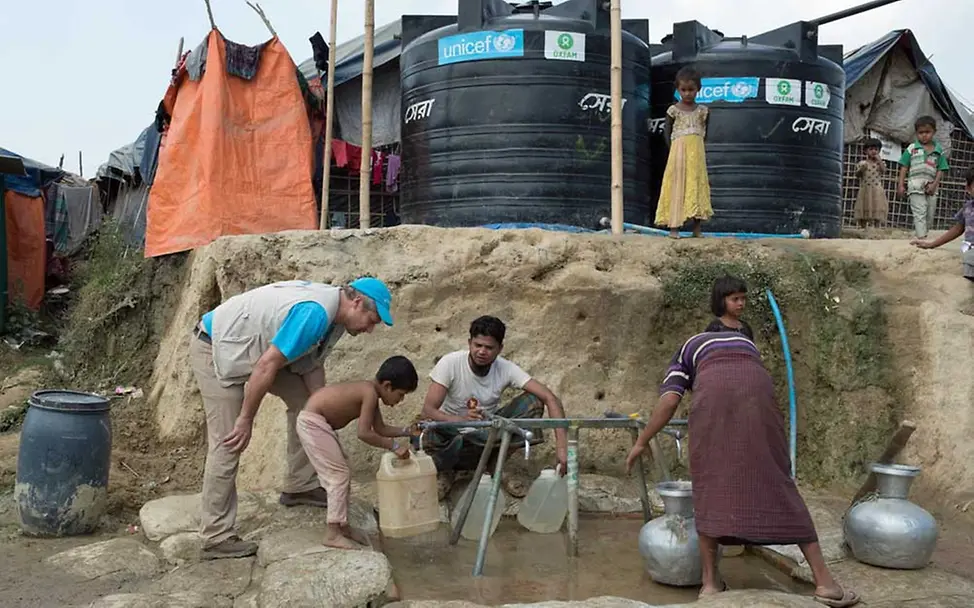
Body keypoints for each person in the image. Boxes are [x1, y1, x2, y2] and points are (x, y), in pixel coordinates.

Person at [625, 332, 859, 607]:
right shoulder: (749, 349)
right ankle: (825, 583)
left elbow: (670, 400)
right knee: (778, 482)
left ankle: (710, 584)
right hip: (759, 401)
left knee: (709, 486)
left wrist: (642, 441)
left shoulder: (687, 350)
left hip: (714, 404)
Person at [191, 277, 394, 560]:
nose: (370, 329)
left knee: (307, 408)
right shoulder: (315, 313)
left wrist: (323, 410)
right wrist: (246, 419)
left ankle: (301, 486)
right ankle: (215, 535)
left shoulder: (336, 319)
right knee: (229, 440)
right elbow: (267, 365)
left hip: (253, 349)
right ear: (357, 302)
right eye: (372, 320)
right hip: (216, 346)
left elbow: (311, 365)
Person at [415, 315, 568, 497]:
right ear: (469, 343)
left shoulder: (506, 368)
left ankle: (496, 464)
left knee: (533, 401)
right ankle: (445, 471)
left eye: (489, 347)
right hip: (451, 433)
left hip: (485, 435)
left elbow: (550, 397)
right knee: (423, 431)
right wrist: (460, 420)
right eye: (477, 345)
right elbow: (428, 410)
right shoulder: (450, 363)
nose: (482, 351)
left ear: (500, 349)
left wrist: (562, 449)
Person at [297, 355, 419, 550]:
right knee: (339, 475)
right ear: (387, 386)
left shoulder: (370, 392)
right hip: (312, 423)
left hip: (318, 423)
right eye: (401, 394)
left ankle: (342, 526)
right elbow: (364, 433)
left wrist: (407, 430)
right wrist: (394, 447)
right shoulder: (369, 393)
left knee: (343, 471)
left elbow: (380, 428)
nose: (400, 400)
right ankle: (332, 533)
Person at [655, 65, 713, 238]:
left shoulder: (703, 111)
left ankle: (696, 228)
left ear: (698, 89)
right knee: (677, 185)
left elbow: (705, 132)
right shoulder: (673, 111)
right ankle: (674, 227)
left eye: (691, 90)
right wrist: (673, 149)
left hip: (697, 153)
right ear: (678, 89)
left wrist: (698, 147)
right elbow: (667, 132)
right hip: (678, 152)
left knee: (696, 185)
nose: (688, 93)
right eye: (684, 90)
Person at [911, 166, 974, 282]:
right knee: (970, 257)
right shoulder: (967, 208)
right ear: (968, 188)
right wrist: (932, 244)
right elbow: (957, 229)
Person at [897, 115, 949, 238]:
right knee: (919, 212)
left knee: (929, 214)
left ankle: (922, 235)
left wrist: (934, 185)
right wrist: (900, 185)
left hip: (932, 186)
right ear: (916, 133)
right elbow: (904, 166)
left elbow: (941, 169)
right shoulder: (912, 149)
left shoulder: (938, 150)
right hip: (915, 184)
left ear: (934, 132)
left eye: (927, 132)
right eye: (921, 133)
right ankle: (922, 238)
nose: (924, 135)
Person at [704, 275, 754, 341]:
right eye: (735, 299)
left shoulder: (745, 328)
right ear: (721, 301)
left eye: (743, 298)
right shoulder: (715, 329)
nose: (740, 303)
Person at [853, 137, 889, 229]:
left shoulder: (881, 163)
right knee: (864, 207)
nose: (873, 151)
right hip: (865, 189)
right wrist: (861, 169)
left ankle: (877, 228)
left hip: (877, 190)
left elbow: (884, 170)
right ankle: (863, 227)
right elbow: (857, 175)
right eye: (871, 149)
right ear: (865, 151)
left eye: (876, 149)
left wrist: (879, 160)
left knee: (877, 208)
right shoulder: (862, 163)